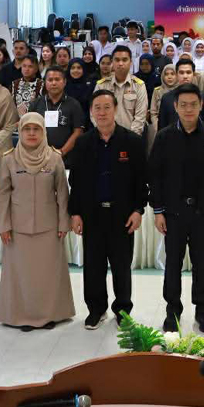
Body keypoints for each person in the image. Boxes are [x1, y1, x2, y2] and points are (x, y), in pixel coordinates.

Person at [149, 84, 204, 333]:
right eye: (182, 104)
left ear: (201, 105)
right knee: (172, 264)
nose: (188, 109)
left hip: (202, 214)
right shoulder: (164, 137)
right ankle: (173, 310)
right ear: (175, 107)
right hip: (172, 214)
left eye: (193, 104)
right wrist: (158, 210)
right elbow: (155, 175)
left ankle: (202, 310)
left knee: (200, 264)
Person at [68, 90, 147, 329]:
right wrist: (76, 213)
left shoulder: (131, 141)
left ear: (115, 109)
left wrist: (138, 210)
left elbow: (141, 179)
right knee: (93, 266)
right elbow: (76, 182)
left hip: (122, 215)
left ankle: (123, 310)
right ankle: (96, 309)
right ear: (91, 112)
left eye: (107, 107)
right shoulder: (83, 143)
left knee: (122, 266)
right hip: (92, 215)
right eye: (97, 108)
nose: (102, 113)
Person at [0, 112, 74, 330]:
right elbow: (1, 194)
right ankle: (23, 316)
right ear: (20, 132)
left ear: (43, 132)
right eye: (27, 129)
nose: (31, 133)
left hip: (49, 227)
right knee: (22, 276)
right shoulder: (9, 158)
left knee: (48, 276)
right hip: (18, 228)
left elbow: (62, 193)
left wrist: (63, 223)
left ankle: (50, 315)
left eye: (36, 129)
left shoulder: (54, 157)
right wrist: (4, 225)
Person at [28, 66, 86, 156]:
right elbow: (28, 130)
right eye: (50, 80)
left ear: (64, 82)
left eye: (57, 79)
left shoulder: (74, 105)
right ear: (45, 83)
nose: (53, 83)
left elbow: (78, 132)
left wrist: (61, 152)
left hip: (66, 157)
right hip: (38, 156)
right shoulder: (36, 104)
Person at [94, 45, 148, 137]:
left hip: (131, 138)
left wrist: (130, 138)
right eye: (117, 60)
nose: (120, 63)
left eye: (124, 60)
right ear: (112, 62)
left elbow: (140, 116)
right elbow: (94, 112)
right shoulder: (101, 85)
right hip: (105, 137)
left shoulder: (139, 85)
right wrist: (104, 134)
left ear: (130, 62)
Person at [158, 61, 204, 130]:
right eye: (181, 73)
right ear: (176, 75)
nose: (185, 76)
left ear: (193, 74)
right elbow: (162, 127)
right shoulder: (166, 98)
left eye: (188, 72)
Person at [149, 64, 177, 132]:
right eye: (166, 74)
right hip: (161, 128)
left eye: (172, 74)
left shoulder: (182, 90)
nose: (169, 77)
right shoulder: (157, 91)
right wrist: (157, 126)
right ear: (162, 76)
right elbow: (153, 112)